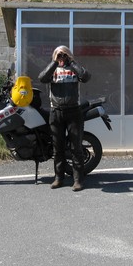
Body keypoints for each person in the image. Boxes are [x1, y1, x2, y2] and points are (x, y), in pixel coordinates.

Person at [38, 45, 91, 191]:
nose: (61, 57)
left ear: (69, 55)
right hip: (56, 112)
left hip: (74, 112)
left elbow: (86, 76)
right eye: (59, 55)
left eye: (64, 55)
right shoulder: (52, 69)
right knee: (58, 148)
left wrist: (72, 62)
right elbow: (42, 78)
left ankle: (78, 180)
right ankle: (58, 178)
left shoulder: (74, 69)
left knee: (76, 148)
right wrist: (55, 62)